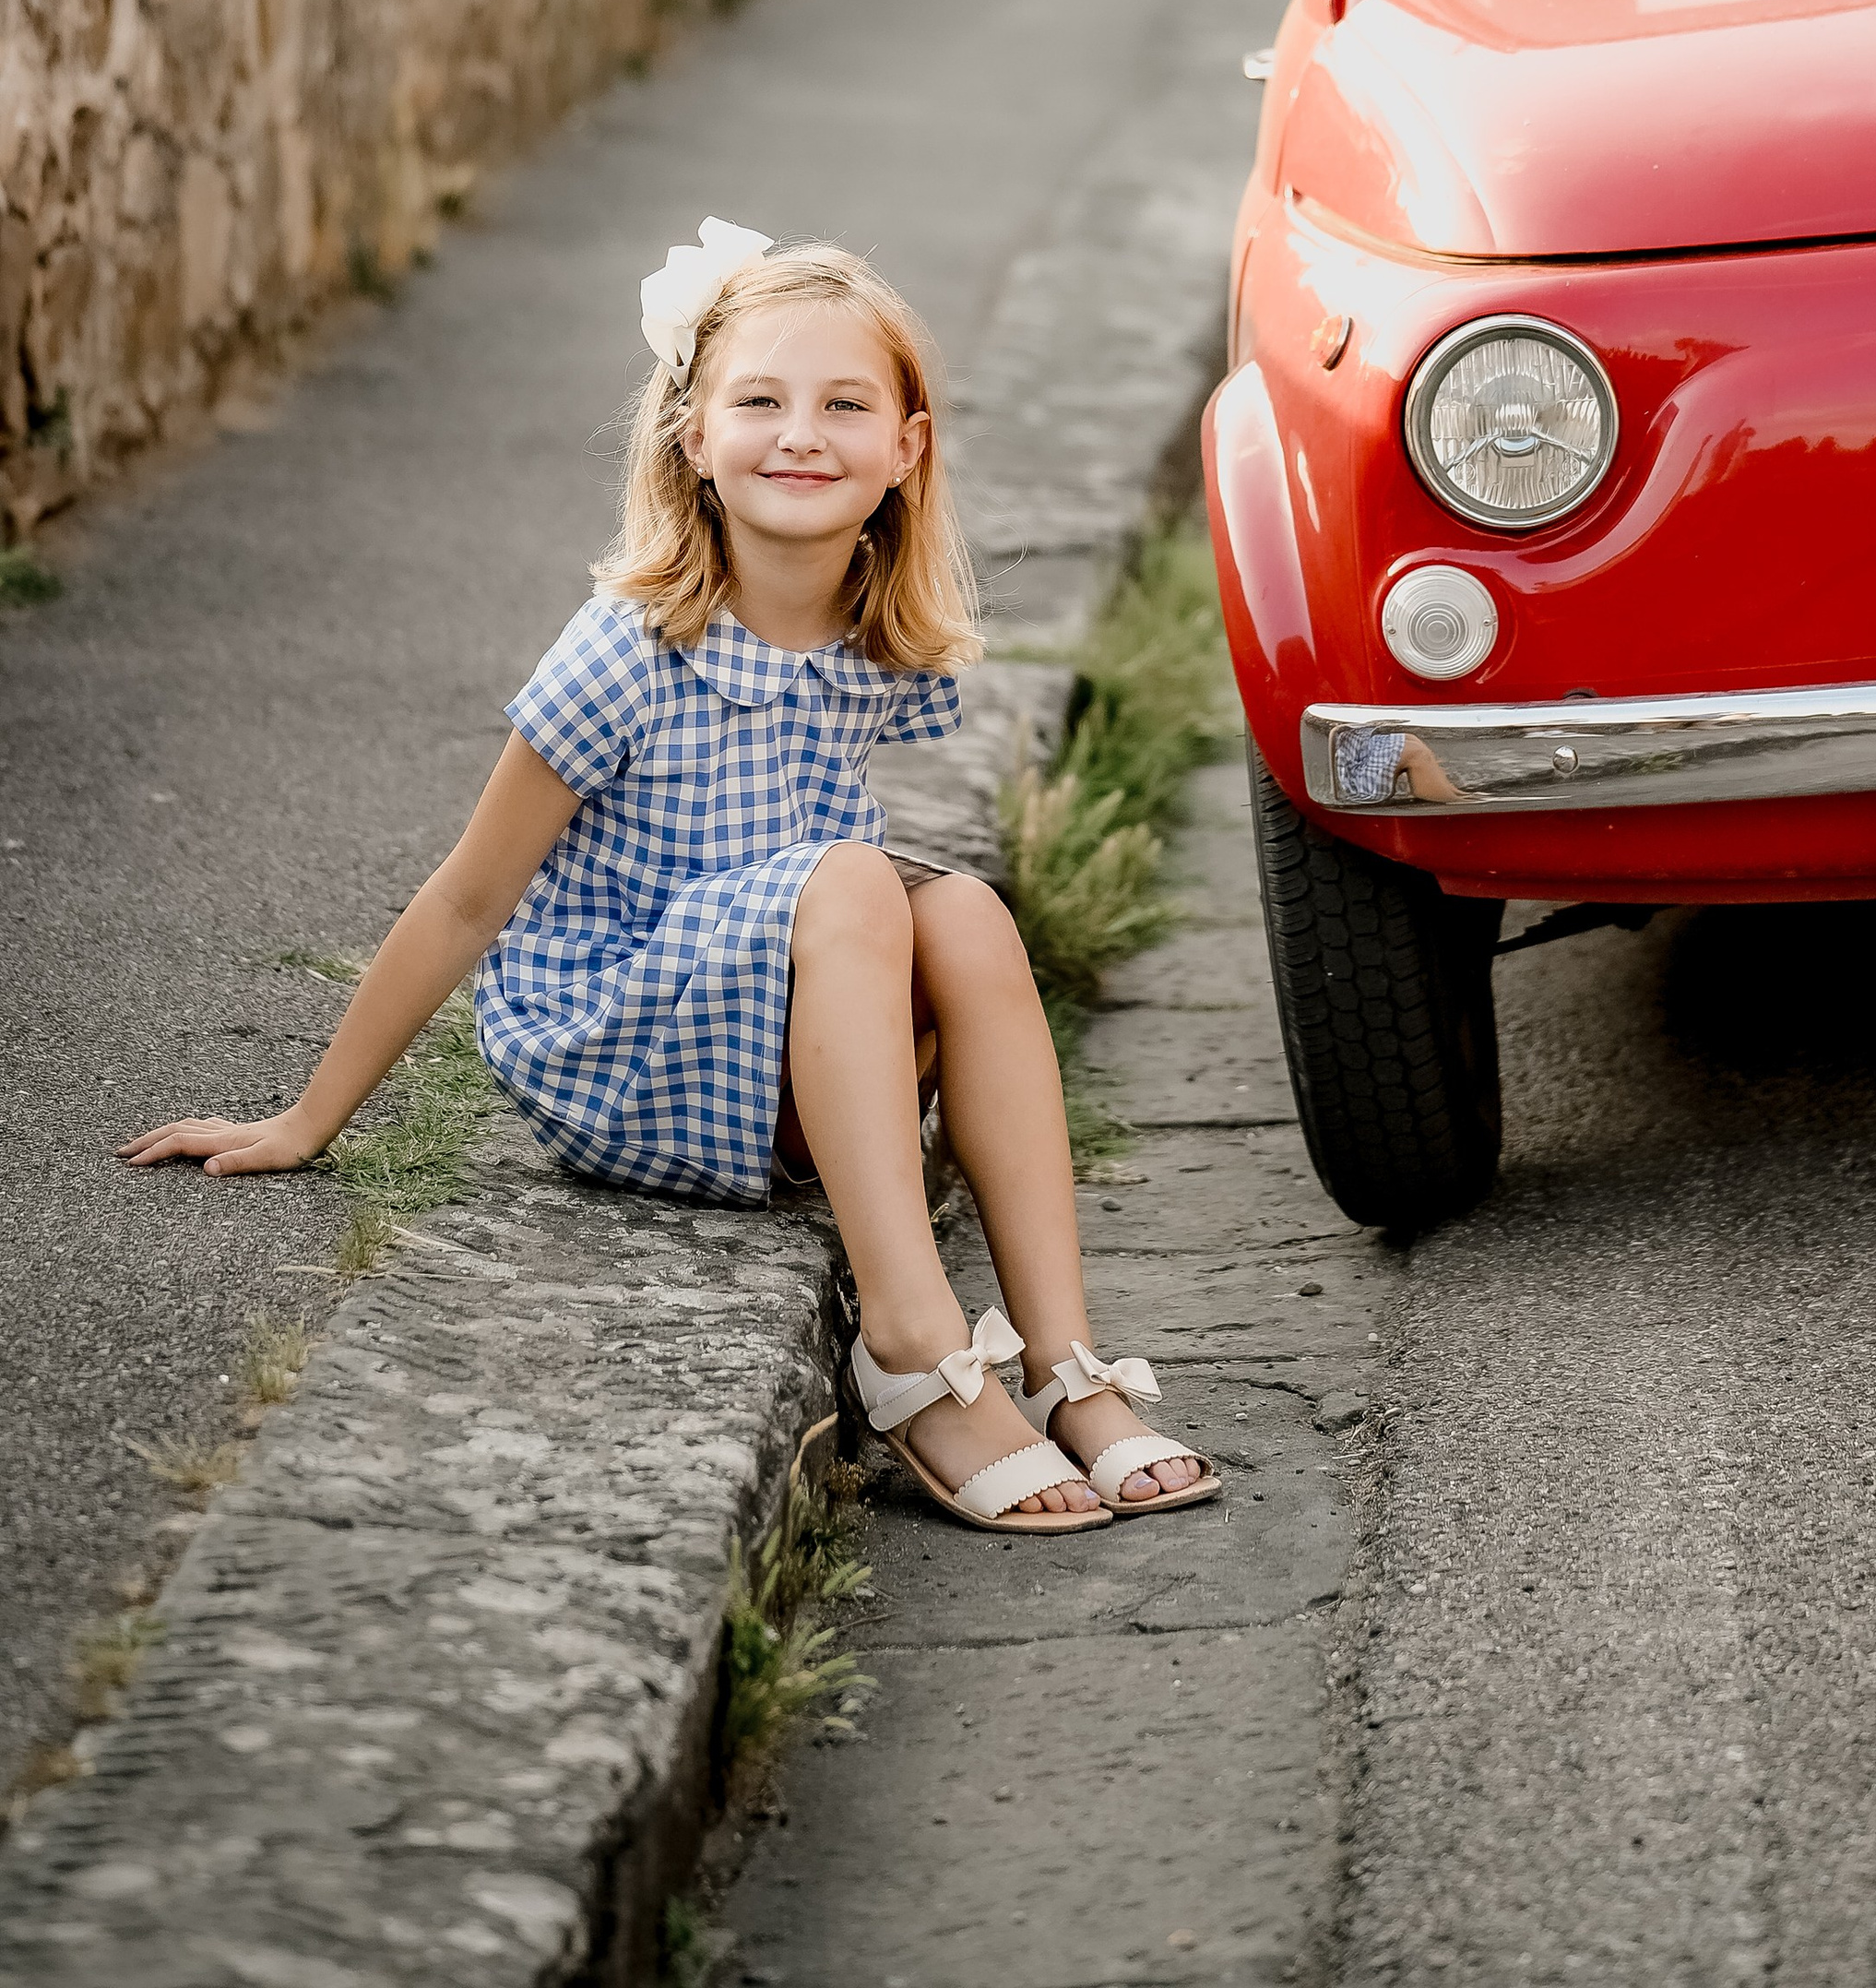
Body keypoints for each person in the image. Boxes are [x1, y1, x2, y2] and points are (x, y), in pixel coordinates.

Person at [121, 223, 1216, 1536]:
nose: (800, 433)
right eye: (760, 401)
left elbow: (845, 905)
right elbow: (472, 897)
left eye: (844, 405)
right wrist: (309, 1119)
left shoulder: (876, 632)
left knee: (968, 908)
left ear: (906, 451)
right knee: (862, 881)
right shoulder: (629, 652)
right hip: (624, 1056)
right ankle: (914, 1350)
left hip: (780, 1047)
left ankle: (1061, 1361)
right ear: (694, 435)